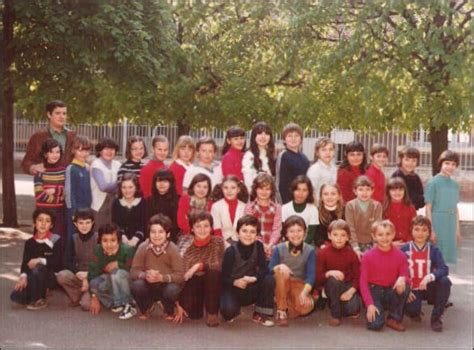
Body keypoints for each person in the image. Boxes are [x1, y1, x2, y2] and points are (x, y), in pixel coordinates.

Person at [220, 215, 275, 327]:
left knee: (269, 278)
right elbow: (223, 277)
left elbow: (264, 269)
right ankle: (233, 306)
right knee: (228, 313)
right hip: (233, 288)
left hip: (250, 285)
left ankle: (260, 313)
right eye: (244, 231)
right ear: (237, 233)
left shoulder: (258, 246)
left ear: (256, 235)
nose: (248, 235)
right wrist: (235, 282)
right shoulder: (230, 251)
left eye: (252, 232)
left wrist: (254, 278)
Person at [401, 216, 452, 332]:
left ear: (429, 232)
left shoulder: (434, 250)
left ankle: (436, 318)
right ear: (411, 230)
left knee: (445, 282)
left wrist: (429, 277)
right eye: (417, 229)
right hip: (412, 288)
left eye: (424, 230)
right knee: (413, 310)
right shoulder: (404, 250)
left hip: (427, 287)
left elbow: (443, 268)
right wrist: (405, 290)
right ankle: (414, 311)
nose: (420, 233)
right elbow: (396, 271)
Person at [131, 214, 185, 321]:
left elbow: (180, 276)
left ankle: (168, 309)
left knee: (173, 289)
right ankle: (146, 307)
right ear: (149, 233)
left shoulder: (172, 249)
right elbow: (133, 271)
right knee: (137, 285)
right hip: (149, 284)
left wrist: (162, 278)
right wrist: (144, 275)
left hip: (165, 284)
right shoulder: (143, 247)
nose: (156, 235)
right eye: (153, 232)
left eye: (161, 232)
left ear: (168, 234)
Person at [360, 220, 410, 332]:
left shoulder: (400, 255)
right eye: (380, 234)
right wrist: (369, 304)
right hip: (374, 290)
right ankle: (376, 308)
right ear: (374, 236)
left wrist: (403, 277)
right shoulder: (368, 256)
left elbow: (405, 273)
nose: (384, 238)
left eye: (388, 234)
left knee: (404, 285)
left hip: (390, 289)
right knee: (376, 325)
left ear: (393, 234)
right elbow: (363, 282)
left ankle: (394, 318)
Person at [179, 212, 224, 327]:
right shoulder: (185, 243)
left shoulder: (217, 241)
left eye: (206, 226)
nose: (202, 229)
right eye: (198, 226)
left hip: (212, 281)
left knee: (213, 272)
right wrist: (177, 302)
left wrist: (197, 266)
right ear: (192, 229)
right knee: (193, 315)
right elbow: (182, 271)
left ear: (211, 228)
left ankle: (212, 312)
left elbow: (216, 264)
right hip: (194, 282)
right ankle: (199, 304)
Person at [269, 215, 316, 326]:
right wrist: (279, 266)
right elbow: (269, 268)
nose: (296, 234)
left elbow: (311, 275)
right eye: (291, 231)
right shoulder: (278, 248)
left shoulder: (310, 250)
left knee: (305, 307)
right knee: (281, 271)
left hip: (298, 283)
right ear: (286, 233)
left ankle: (284, 301)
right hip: (281, 282)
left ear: (305, 232)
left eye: (299, 230)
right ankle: (281, 310)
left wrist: (304, 293)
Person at [10, 208, 62, 310]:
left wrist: (40, 260)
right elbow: (25, 262)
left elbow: (58, 263)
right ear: (35, 222)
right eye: (40, 220)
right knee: (15, 296)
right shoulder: (29, 242)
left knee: (38, 268)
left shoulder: (55, 239)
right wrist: (23, 277)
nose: (43, 224)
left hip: (49, 277)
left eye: (47, 221)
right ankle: (34, 294)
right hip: (33, 276)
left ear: (51, 225)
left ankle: (40, 299)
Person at [316, 219, 361, 326]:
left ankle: (335, 302)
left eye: (343, 235)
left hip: (347, 285)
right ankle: (335, 314)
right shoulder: (323, 252)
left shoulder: (351, 254)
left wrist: (351, 291)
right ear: (329, 235)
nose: (339, 238)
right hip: (331, 284)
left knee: (354, 309)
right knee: (333, 281)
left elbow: (358, 277)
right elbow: (317, 278)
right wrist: (329, 273)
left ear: (347, 237)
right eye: (335, 235)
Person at [88, 223, 137, 320]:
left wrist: (119, 264)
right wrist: (94, 296)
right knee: (95, 283)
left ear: (118, 241)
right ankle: (115, 302)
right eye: (105, 241)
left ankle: (128, 303)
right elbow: (92, 274)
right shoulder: (98, 250)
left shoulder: (128, 250)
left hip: (127, 281)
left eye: (113, 240)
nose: (109, 244)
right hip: (111, 280)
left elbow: (134, 270)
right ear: (100, 241)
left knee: (117, 273)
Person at [56, 208, 97, 310]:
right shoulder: (73, 238)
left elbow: (101, 262)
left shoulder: (98, 238)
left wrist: (88, 276)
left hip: (95, 275)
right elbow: (67, 261)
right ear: (75, 224)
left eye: (87, 222)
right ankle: (77, 295)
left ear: (93, 223)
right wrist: (78, 272)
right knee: (62, 275)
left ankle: (89, 293)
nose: (84, 226)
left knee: (86, 306)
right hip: (79, 274)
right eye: (81, 223)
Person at [424, 150, 461, 264]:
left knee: (446, 262)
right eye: (447, 163)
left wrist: (457, 230)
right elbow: (428, 208)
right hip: (438, 222)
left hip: (450, 223)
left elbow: (455, 208)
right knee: (436, 259)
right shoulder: (433, 183)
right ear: (441, 163)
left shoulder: (455, 185)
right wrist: (431, 230)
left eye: (453, 164)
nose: (450, 167)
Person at [22, 100, 76, 175]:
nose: (62, 116)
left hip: (69, 182)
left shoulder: (72, 135)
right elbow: (26, 162)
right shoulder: (38, 136)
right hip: (47, 182)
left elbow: (78, 157)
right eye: (57, 113)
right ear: (49, 115)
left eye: (64, 113)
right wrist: (33, 168)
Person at [34, 139, 66, 260]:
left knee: (58, 246)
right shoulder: (40, 172)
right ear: (45, 154)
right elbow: (40, 196)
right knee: (42, 246)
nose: (55, 155)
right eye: (51, 152)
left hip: (59, 215)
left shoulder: (64, 171)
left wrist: (54, 191)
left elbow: (66, 194)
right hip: (43, 215)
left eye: (57, 152)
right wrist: (59, 194)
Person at [64, 136, 92, 265]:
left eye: (86, 150)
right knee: (72, 240)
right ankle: (68, 267)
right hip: (75, 213)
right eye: (80, 150)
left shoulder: (87, 168)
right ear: (74, 151)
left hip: (87, 211)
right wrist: (73, 213)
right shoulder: (71, 168)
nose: (83, 153)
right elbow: (69, 192)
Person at [244, 173, 282, 259]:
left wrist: (270, 244)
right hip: (255, 244)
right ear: (255, 189)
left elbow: (277, 229)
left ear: (272, 191)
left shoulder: (277, 208)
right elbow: (251, 229)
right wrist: (262, 245)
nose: (264, 192)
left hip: (272, 246)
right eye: (261, 188)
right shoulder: (250, 207)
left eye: (267, 189)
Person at [345, 176, 383, 259]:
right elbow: (350, 227)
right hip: (354, 243)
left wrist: (375, 245)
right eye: (361, 189)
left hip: (372, 243)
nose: (364, 193)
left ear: (372, 191)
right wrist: (355, 247)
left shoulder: (377, 206)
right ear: (355, 191)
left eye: (367, 189)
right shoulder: (350, 206)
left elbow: (378, 228)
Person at [275, 123, 310, 204]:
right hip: (287, 202)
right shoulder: (284, 156)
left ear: (301, 139)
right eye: (290, 136)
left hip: (302, 200)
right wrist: (284, 204)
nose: (293, 139)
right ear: (284, 139)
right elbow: (280, 184)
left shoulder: (304, 158)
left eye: (296, 135)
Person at [90, 137, 120, 229]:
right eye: (106, 149)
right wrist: (119, 183)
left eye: (112, 149)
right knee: (99, 233)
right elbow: (103, 187)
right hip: (100, 205)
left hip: (115, 204)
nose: (109, 151)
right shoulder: (96, 164)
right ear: (100, 151)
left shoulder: (118, 164)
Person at [112, 173, 147, 248]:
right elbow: (115, 223)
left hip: (140, 240)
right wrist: (123, 237)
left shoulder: (143, 202)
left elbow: (144, 224)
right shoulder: (116, 203)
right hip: (121, 239)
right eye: (124, 187)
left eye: (130, 187)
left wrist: (136, 238)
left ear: (136, 187)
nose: (127, 190)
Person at [281, 175, 318, 245]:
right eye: (298, 189)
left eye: (304, 190)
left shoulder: (313, 210)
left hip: (306, 245)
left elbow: (311, 234)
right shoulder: (285, 208)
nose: (301, 193)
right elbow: (284, 231)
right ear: (293, 191)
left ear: (309, 192)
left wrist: (302, 247)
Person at [210, 175, 247, 244]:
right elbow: (217, 230)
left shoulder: (244, 207)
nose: (229, 191)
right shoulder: (216, 206)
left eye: (233, 188)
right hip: (222, 242)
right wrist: (226, 246)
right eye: (226, 188)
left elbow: (246, 230)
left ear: (238, 189)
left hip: (241, 242)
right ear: (222, 189)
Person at [146, 169, 180, 242]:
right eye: (159, 181)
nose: (161, 184)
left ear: (171, 183)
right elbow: (146, 223)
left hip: (173, 238)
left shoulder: (178, 200)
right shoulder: (148, 201)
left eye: (165, 181)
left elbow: (177, 225)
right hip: (153, 237)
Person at [242, 121, 276, 193]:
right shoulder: (249, 156)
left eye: (266, 133)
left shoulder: (270, 155)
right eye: (260, 133)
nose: (263, 136)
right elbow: (248, 183)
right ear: (254, 136)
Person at [383, 177, 417, 246]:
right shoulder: (383, 208)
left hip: (408, 244)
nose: (397, 193)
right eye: (394, 190)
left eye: (400, 189)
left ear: (405, 191)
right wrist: (390, 243)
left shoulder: (411, 208)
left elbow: (414, 227)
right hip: (389, 244)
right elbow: (380, 229)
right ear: (388, 192)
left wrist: (408, 242)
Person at [306, 137, 337, 203]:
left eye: (330, 149)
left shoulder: (334, 168)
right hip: (318, 207)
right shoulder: (315, 169)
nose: (327, 152)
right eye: (324, 150)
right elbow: (310, 192)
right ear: (317, 153)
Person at [315, 183, 345, 248]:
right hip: (323, 246)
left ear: (339, 196)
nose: (329, 197)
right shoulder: (316, 212)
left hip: (343, 244)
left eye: (333, 194)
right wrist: (322, 245)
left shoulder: (345, 211)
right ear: (321, 197)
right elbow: (317, 235)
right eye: (326, 194)